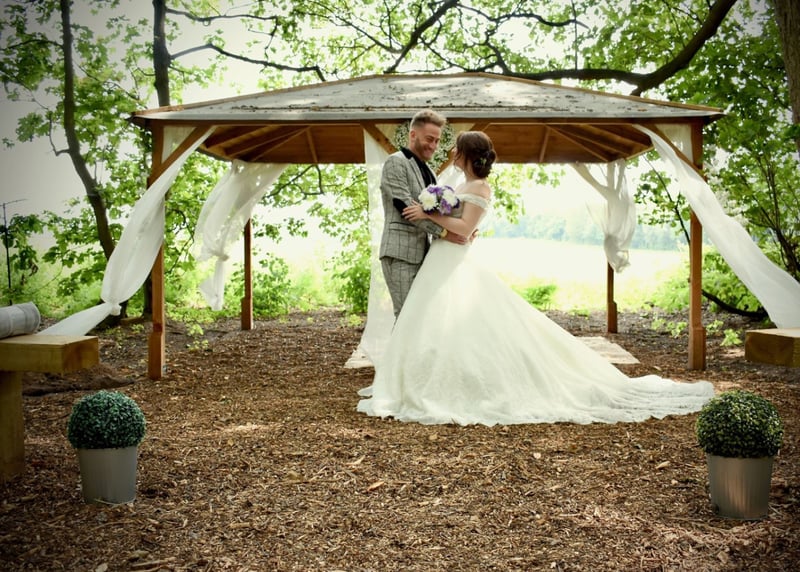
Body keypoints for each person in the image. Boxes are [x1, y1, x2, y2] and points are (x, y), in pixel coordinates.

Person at [357, 131, 715, 426]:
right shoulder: (462, 184)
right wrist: (438, 214)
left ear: (466, 155)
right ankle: (423, 380)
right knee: (431, 322)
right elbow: (460, 227)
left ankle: (456, 385)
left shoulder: (479, 187)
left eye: (456, 149)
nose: (451, 153)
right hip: (441, 257)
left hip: (453, 259)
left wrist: (430, 215)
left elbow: (464, 230)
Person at [379, 109, 468, 318]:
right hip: (400, 253)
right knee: (406, 317)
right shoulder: (396, 162)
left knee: (421, 319)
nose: (434, 146)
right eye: (429, 139)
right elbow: (407, 209)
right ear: (413, 135)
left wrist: (464, 224)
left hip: (425, 254)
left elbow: (431, 212)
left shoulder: (429, 173)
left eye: (437, 141)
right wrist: (445, 233)